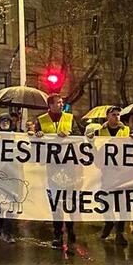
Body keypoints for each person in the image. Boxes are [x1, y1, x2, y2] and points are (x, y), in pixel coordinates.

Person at [32, 94, 79, 249]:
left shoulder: (70, 118)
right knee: (56, 202)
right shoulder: (41, 120)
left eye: (62, 102)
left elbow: (81, 137)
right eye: (58, 102)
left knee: (70, 200)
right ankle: (57, 234)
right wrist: (37, 135)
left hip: (69, 166)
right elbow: (35, 144)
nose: (61, 104)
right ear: (50, 105)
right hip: (52, 168)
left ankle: (71, 230)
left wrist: (70, 134)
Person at [95, 106, 133, 246]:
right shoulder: (99, 132)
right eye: (113, 114)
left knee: (122, 204)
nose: (116, 117)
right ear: (107, 116)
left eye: (118, 114)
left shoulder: (127, 130)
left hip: (122, 174)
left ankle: (120, 232)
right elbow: (94, 151)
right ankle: (109, 222)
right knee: (105, 201)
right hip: (106, 173)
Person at [0, 114, 18, 244]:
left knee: (11, 204)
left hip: (13, 176)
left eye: (7, 121)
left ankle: (7, 232)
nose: (5, 123)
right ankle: (0, 226)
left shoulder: (18, 137)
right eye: (2, 121)